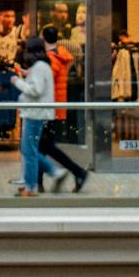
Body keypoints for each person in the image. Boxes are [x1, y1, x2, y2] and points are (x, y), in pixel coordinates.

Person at [11, 36, 65, 196]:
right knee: (29, 149)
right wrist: (27, 74)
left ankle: (31, 186)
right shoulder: (42, 66)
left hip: (35, 113)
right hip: (37, 112)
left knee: (29, 150)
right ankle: (53, 173)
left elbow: (35, 90)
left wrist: (17, 81)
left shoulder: (40, 67)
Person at [37, 26, 87, 191]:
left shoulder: (52, 58)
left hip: (49, 109)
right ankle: (39, 182)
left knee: (45, 147)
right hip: (53, 108)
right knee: (43, 146)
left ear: (44, 38)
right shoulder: (59, 55)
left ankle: (77, 172)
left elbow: (43, 82)